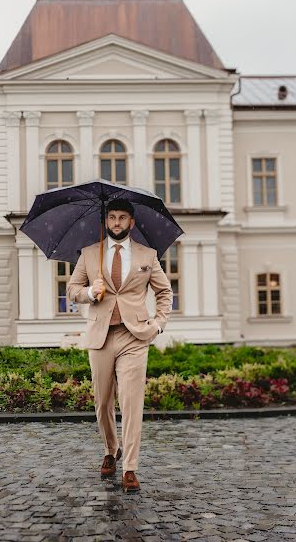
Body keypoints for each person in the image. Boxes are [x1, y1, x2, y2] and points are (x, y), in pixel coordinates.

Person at [67, 198, 173, 492]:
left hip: (134, 336)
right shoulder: (89, 254)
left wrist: (158, 323)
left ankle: (130, 466)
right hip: (101, 336)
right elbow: (72, 290)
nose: (116, 222)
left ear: (131, 222)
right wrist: (90, 292)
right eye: (112, 217)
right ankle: (110, 449)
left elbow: (165, 292)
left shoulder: (147, 256)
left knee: (131, 401)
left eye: (122, 217)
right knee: (102, 402)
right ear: (106, 221)